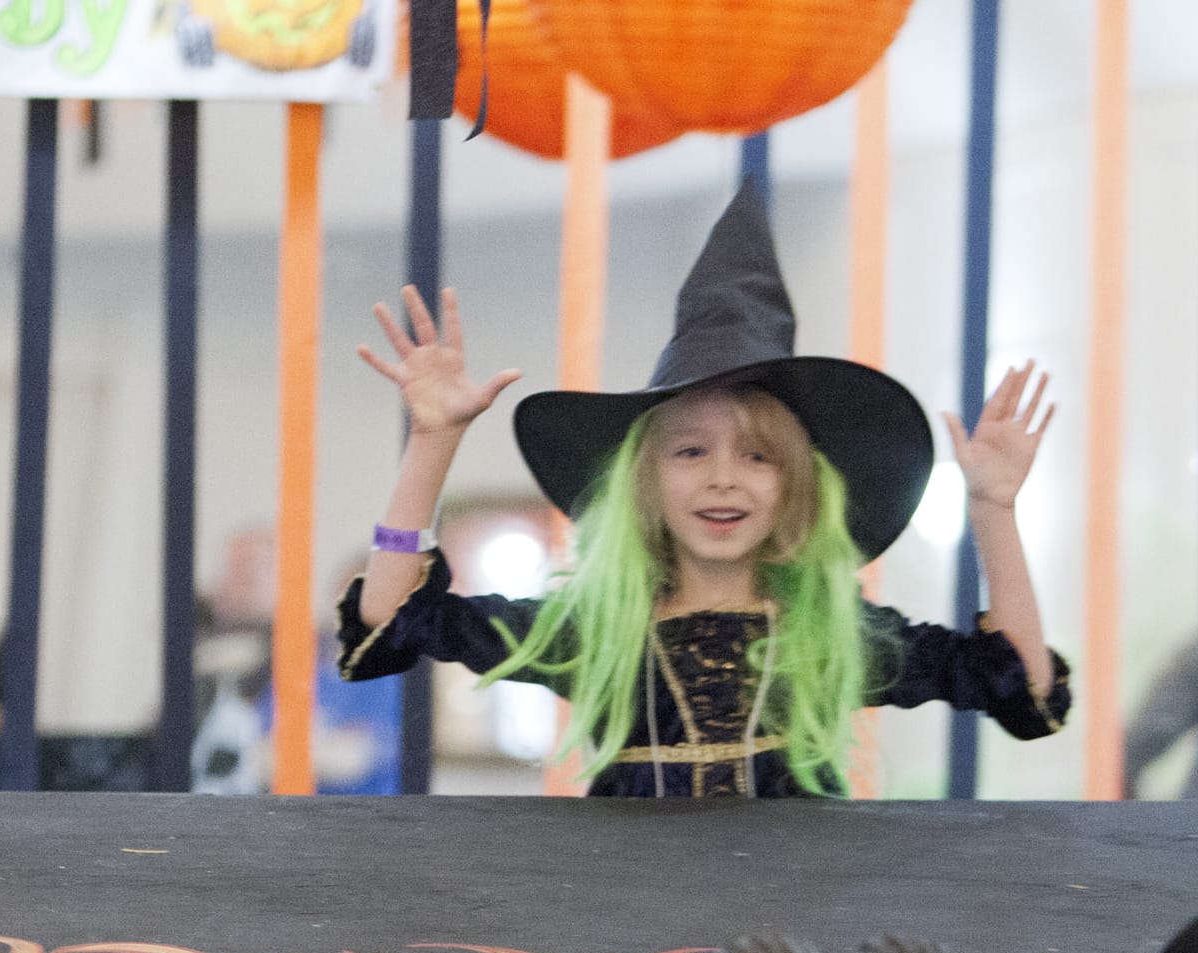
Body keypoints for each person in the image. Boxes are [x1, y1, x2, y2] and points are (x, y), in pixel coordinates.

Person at [340, 188, 1069, 798]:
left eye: (758, 456)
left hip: (790, 946)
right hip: (632, 938)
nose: (723, 476)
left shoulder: (828, 637)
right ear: (647, 482)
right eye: (690, 451)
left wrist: (993, 509)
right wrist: (432, 443)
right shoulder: (596, 631)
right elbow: (390, 622)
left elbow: (1022, 691)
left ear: (794, 488)